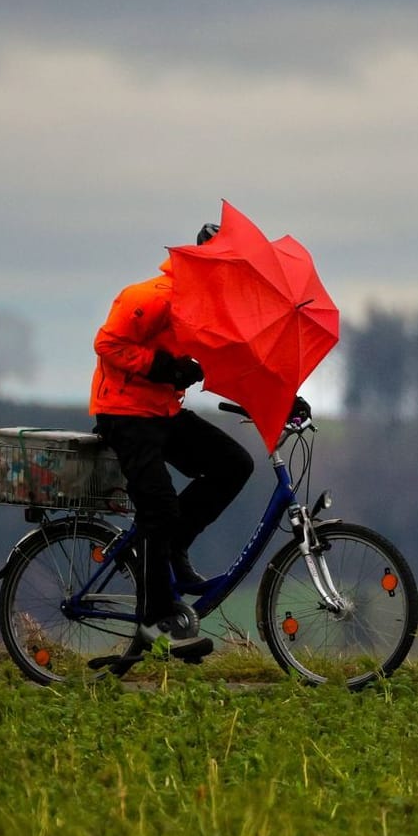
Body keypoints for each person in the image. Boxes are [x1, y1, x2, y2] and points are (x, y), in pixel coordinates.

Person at [90, 222, 254, 657]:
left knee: (234, 465)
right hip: (124, 415)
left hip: (161, 413)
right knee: (158, 508)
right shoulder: (152, 297)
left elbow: (241, 359)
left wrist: (288, 401)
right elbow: (107, 344)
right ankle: (156, 619)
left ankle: (172, 548)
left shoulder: (206, 309)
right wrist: (164, 367)